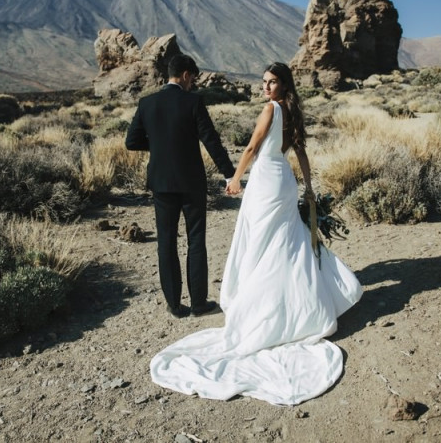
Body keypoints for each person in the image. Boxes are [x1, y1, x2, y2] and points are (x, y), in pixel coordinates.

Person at [150, 62, 363, 405]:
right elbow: (301, 152)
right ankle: (299, 306)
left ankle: (264, 308)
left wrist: (235, 178)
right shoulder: (292, 111)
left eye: (272, 82)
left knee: (262, 243)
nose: (266, 87)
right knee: (286, 241)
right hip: (284, 180)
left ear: (284, 84)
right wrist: (308, 187)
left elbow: (251, 147)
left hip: (265, 181)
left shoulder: (271, 110)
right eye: (264, 82)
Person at [125, 54, 236, 318]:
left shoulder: (147, 103)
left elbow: (132, 142)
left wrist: (160, 143)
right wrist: (229, 174)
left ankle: (175, 305)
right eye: (193, 79)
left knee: (166, 241)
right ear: (186, 75)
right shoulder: (193, 102)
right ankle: (198, 303)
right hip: (191, 181)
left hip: (161, 183)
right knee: (196, 239)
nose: (192, 84)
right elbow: (211, 140)